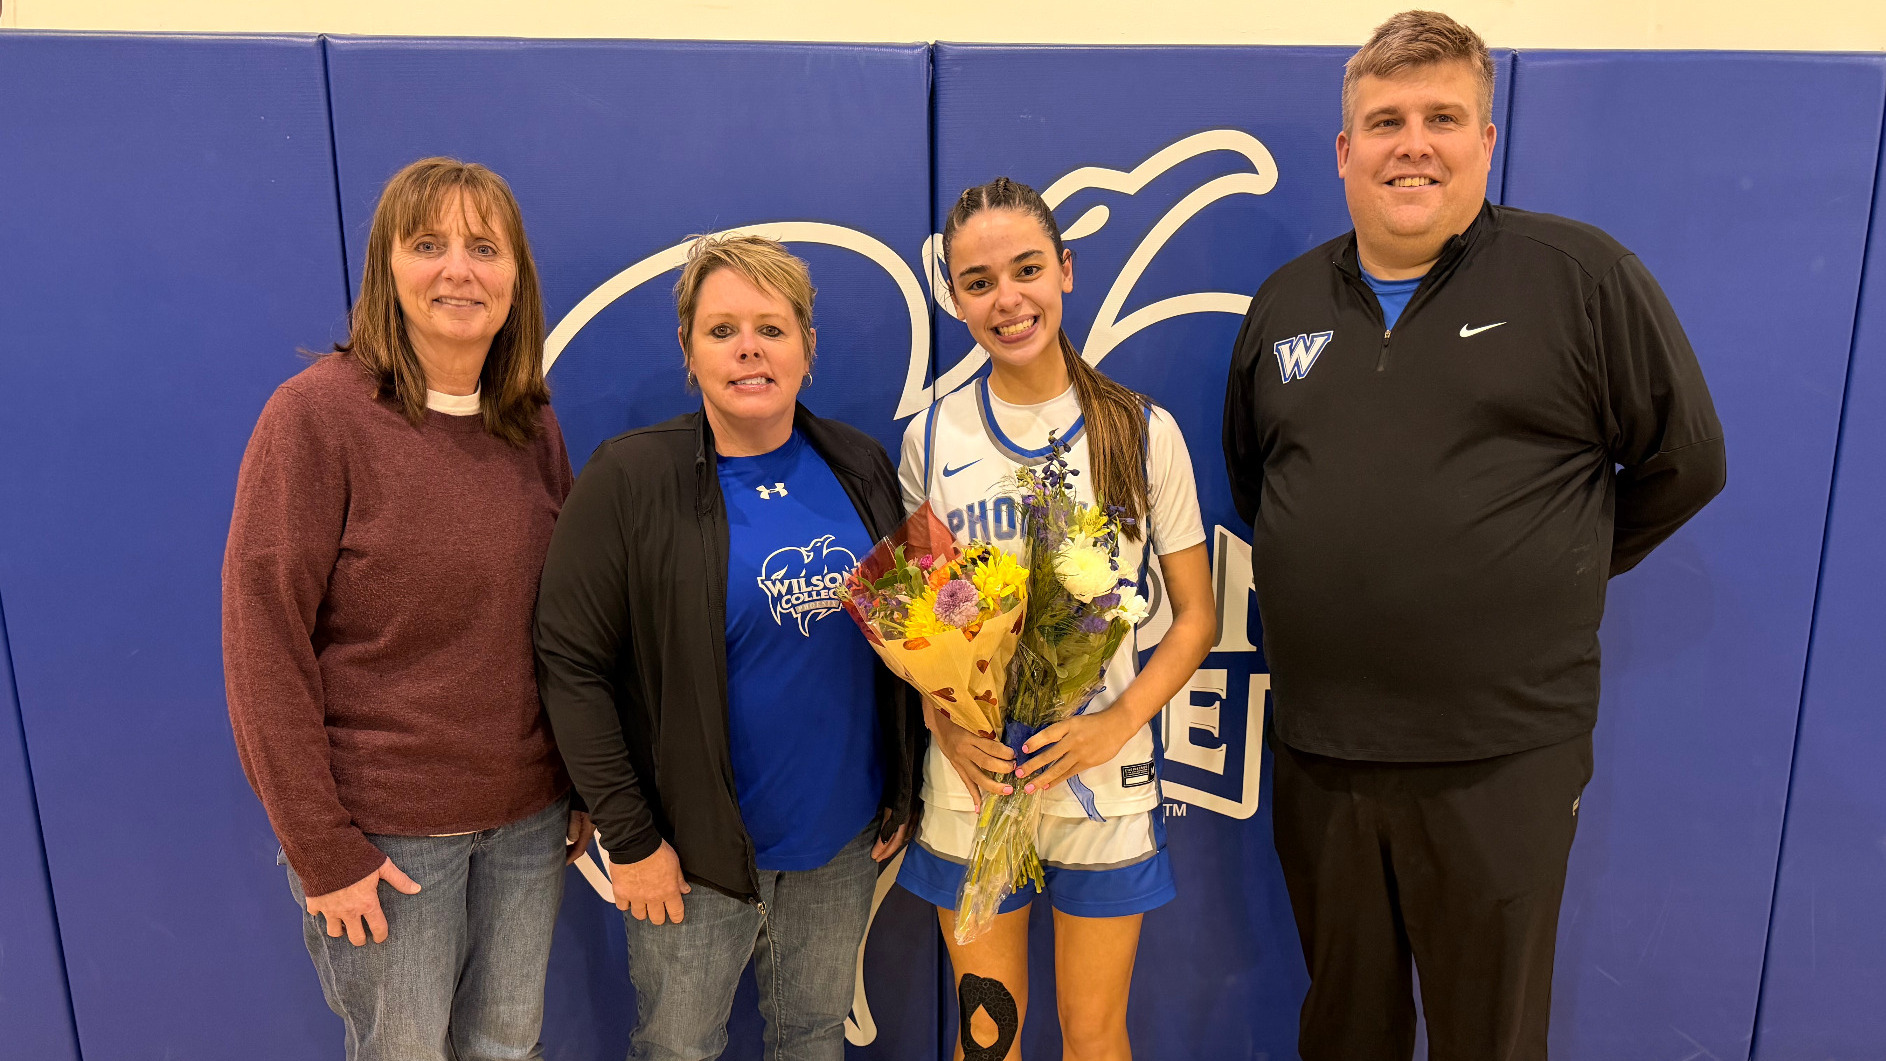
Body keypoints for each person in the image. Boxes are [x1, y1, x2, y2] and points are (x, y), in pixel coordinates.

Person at [1221, 12, 1728, 1060]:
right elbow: (1256, 484)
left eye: (1441, 117)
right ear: (1344, 149)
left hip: (1500, 753)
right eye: (1385, 120)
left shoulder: (1578, 277)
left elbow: (1685, 463)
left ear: (1485, 141)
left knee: (1484, 1037)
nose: (1412, 142)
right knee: (1344, 1026)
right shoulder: (1282, 305)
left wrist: (1544, 562)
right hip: (1323, 749)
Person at [223, 157, 587, 1061]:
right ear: (386, 267)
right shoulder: (315, 418)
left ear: (516, 279)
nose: (458, 270)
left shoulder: (529, 421)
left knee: (507, 1048)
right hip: (385, 837)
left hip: (529, 822)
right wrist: (320, 846)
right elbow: (262, 638)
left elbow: (566, 625)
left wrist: (579, 783)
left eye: (482, 247)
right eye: (428, 245)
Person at [533, 234, 921, 1061]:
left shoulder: (860, 464)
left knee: (813, 1037)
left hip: (839, 842)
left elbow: (923, 632)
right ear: (688, 349)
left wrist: (906, 780)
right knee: (678, 1048)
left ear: (808, 348)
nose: (749, 347)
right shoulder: (630, 479)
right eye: (722, 329)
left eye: (772, 328)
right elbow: (571, 664)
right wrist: (631, 838)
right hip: (690, 856)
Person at [897, 177, 1218, 1061]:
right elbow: (925, 630)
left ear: (1066, 271)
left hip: (1099, 781)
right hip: (978, 777)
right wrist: (948, 728)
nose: (1008, 298)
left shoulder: (1141, 431)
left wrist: (1117, 720)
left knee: (1094, 1032)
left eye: (1027, 268)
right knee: (986, 1036)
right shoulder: (934, 437)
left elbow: (1196, 615)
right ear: (955, 297)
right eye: (978, 280)